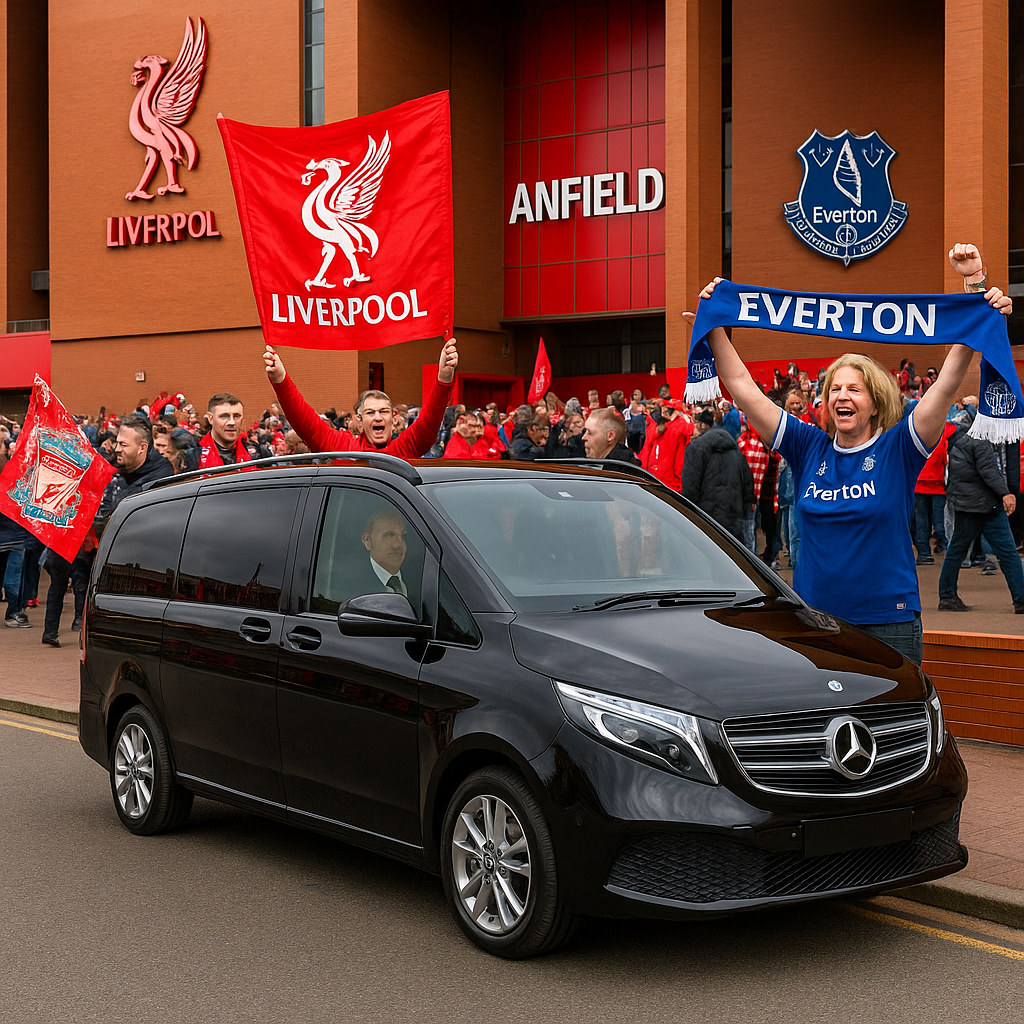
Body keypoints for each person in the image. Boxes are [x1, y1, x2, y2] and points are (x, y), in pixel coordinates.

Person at [683, 242, 1012, 663]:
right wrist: (713, 327)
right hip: (815, 624)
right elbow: (745, 391)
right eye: (834, 389)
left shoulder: (900, 447)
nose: (842, 395)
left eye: (853, 389)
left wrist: (974, 290)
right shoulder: (807, 447)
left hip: (888, 624)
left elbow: (947, 382)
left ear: (875, 401)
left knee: (892, 729)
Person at [263, 338, 458, 459]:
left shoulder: (405, 449)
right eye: (370, 413)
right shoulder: (343, 448)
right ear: (359, 421)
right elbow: (305, 421)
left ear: (395, 418)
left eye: (383, 412)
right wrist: (280, 379)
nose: (378, 417)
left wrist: (444, 378)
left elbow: (429, 423)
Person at [937, 422, 1024, 613]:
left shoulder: (964, 440)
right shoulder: (982, 442)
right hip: (985, 506)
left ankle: (947, 595)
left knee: (956, 551)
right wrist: (1006, 493)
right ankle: (1021, 598)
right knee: (1008, 553)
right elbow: (989, 471)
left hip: (969, 505)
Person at [680, 408, 755, 541]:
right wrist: (746, 503)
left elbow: (690, 485)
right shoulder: (735, 451)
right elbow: (747, 483)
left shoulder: (696, 449)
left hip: (706, 517)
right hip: (733, 514)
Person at [182, 393, 269, 471]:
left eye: (236, 416)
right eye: (224, 416)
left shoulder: (259, 454)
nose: (232, 422)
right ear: (211, 419)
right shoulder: (193, 457)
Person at [640, 399, 691, 491]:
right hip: (653, 482)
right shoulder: (653, 428)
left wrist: (678, 486)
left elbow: (680, 462)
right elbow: (646, 453)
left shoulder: (678, 429)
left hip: (667, 485)